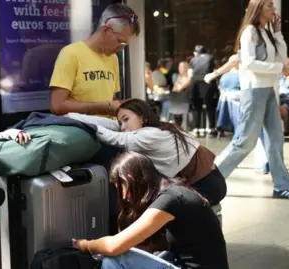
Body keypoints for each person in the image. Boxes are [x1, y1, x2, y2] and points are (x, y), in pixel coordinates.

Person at [72, 151, 229, 269]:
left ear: (130, 180)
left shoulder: (170, 200)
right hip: (181, 262)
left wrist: (85, 245)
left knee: (115, 260)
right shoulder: (174, 191)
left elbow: (114, 246)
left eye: (120, 188)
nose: (124, 197)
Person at [214, 0, 289, 200]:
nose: (274, 9)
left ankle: (282, 186)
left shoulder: (267, 32)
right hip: (255, 90)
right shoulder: (250, 32)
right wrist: (278, 69)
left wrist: (278, 32)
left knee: (275, 139)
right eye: (269, 6)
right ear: (258, 9)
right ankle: (210, 179)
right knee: (245, 142)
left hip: (268, 91)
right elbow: (249, 63)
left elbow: (281, 57)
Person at [67, 99, 227, 205]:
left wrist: (76, 120)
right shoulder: (161, 127)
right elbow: (111, 125)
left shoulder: (149, 135)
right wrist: (71, 116)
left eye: (126, 119)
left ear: (142, 117)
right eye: (120, 121)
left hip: (206, 186)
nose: (122, 126)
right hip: (212, 180)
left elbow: (112, 137)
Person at [49, 3, 140, 117]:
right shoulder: (71, 54)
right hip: (83, 130)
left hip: (109, 129)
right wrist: (103, 107)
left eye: (125, 45)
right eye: (120, 42)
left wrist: (122, 105)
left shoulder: (113, 59)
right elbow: (57, 106)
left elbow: (108, 99)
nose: (121, 49)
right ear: (106, 30)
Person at [189, 45, 218, 137]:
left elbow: (190, 74)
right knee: (210, 106)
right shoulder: (210, 57)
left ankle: (197, 129)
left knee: (196, 107)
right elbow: (214, 71)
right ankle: (211, 128)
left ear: (196, 52)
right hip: (207, 82)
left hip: (195, 83)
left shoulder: (193, 59)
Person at [170, 61, 191, 128]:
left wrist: (180, 87)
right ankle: (177, 125)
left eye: (181, 67)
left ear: (186, 68)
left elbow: (182, 87)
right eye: (179, 67)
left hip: (185, 100)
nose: (179, 69)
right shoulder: (179, 77)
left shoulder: (189, 77)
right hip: (178, 99)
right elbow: (174, 89)